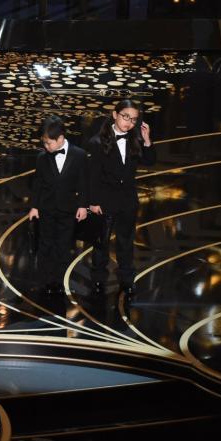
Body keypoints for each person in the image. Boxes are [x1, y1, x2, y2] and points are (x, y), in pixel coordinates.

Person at [87, 99, 156, 295]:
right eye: (126, 117)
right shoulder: (97, 142)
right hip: (104, 201)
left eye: (133, 119)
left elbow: (150, 160)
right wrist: (92, 202)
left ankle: (127, 279)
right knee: (101, 243)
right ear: (115, 114)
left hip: (128, 201)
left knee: (126, 242)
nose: (129, 122)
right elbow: (92, 176)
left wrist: (147, 139)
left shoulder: (136, 138)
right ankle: (98, 279)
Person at [28, 115, 88, 295]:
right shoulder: (42, 157)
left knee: (63, 245)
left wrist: (83, 205)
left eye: (48, 143)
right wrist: (34, 206)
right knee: (46, 243)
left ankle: (61, 279)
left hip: (68, 209)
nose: (46, 147)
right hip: (46, 208)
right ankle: (45, 279)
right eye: (44, 143)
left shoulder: (79, 155)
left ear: (61, 138)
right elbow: (37, 184)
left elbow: (84, 182)